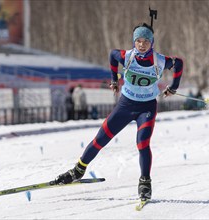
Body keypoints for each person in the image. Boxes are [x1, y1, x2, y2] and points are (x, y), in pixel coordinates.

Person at [53, 23, 183, 201]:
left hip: (146, 108)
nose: (141, 44)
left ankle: (145, 182)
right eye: (138, 41)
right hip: (125, 105)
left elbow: (179, 63)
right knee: (100, 139)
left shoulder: (160, 60)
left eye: (146, 41)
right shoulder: (127, 56)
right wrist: (114, 79)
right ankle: (78, 170)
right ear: (134, 41)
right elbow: (112, 55)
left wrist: (174, 87)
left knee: (142, 143)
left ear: (152, 42)